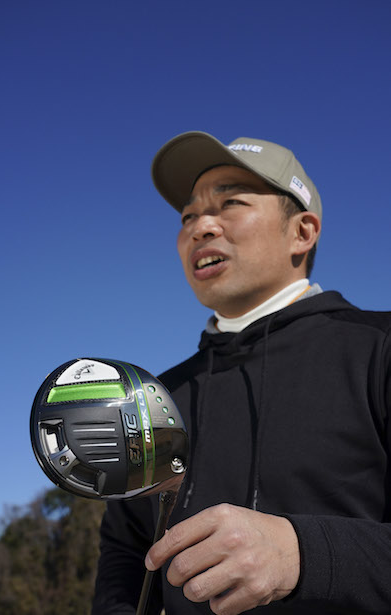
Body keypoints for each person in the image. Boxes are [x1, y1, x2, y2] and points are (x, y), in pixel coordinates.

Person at [91, 131, 391, 615]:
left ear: (302, 232)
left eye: (231, 203)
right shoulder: (153, 398)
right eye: (188, 216)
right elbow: (125, 553)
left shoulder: (379, 348)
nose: (200, 227)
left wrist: (302, 554)